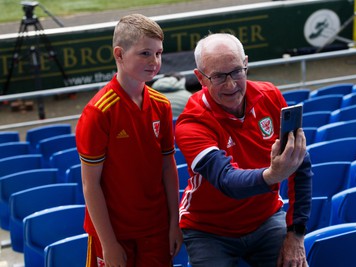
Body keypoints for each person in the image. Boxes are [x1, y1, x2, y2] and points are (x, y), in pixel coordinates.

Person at [175, 33, 312, 267]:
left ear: (246, 64)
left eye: (237, 71)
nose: (231, 85)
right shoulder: (191, 124)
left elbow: (301, 166)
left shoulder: (270, 96)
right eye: (218, 76)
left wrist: (296, 234)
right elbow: (226, 180)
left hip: (266, 218)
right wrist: (272, 175)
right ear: (201, 78)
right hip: (208, 230)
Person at [75, 13, 182, 267]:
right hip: (114, 233)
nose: (154, 61)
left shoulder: (162, 105)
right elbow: (91, 185)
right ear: (119, 54)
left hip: (156, 229)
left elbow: (169, 167)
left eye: (158, 53)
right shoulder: (99, 112)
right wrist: (109, 243)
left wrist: (174, 224)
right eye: (145, 53)